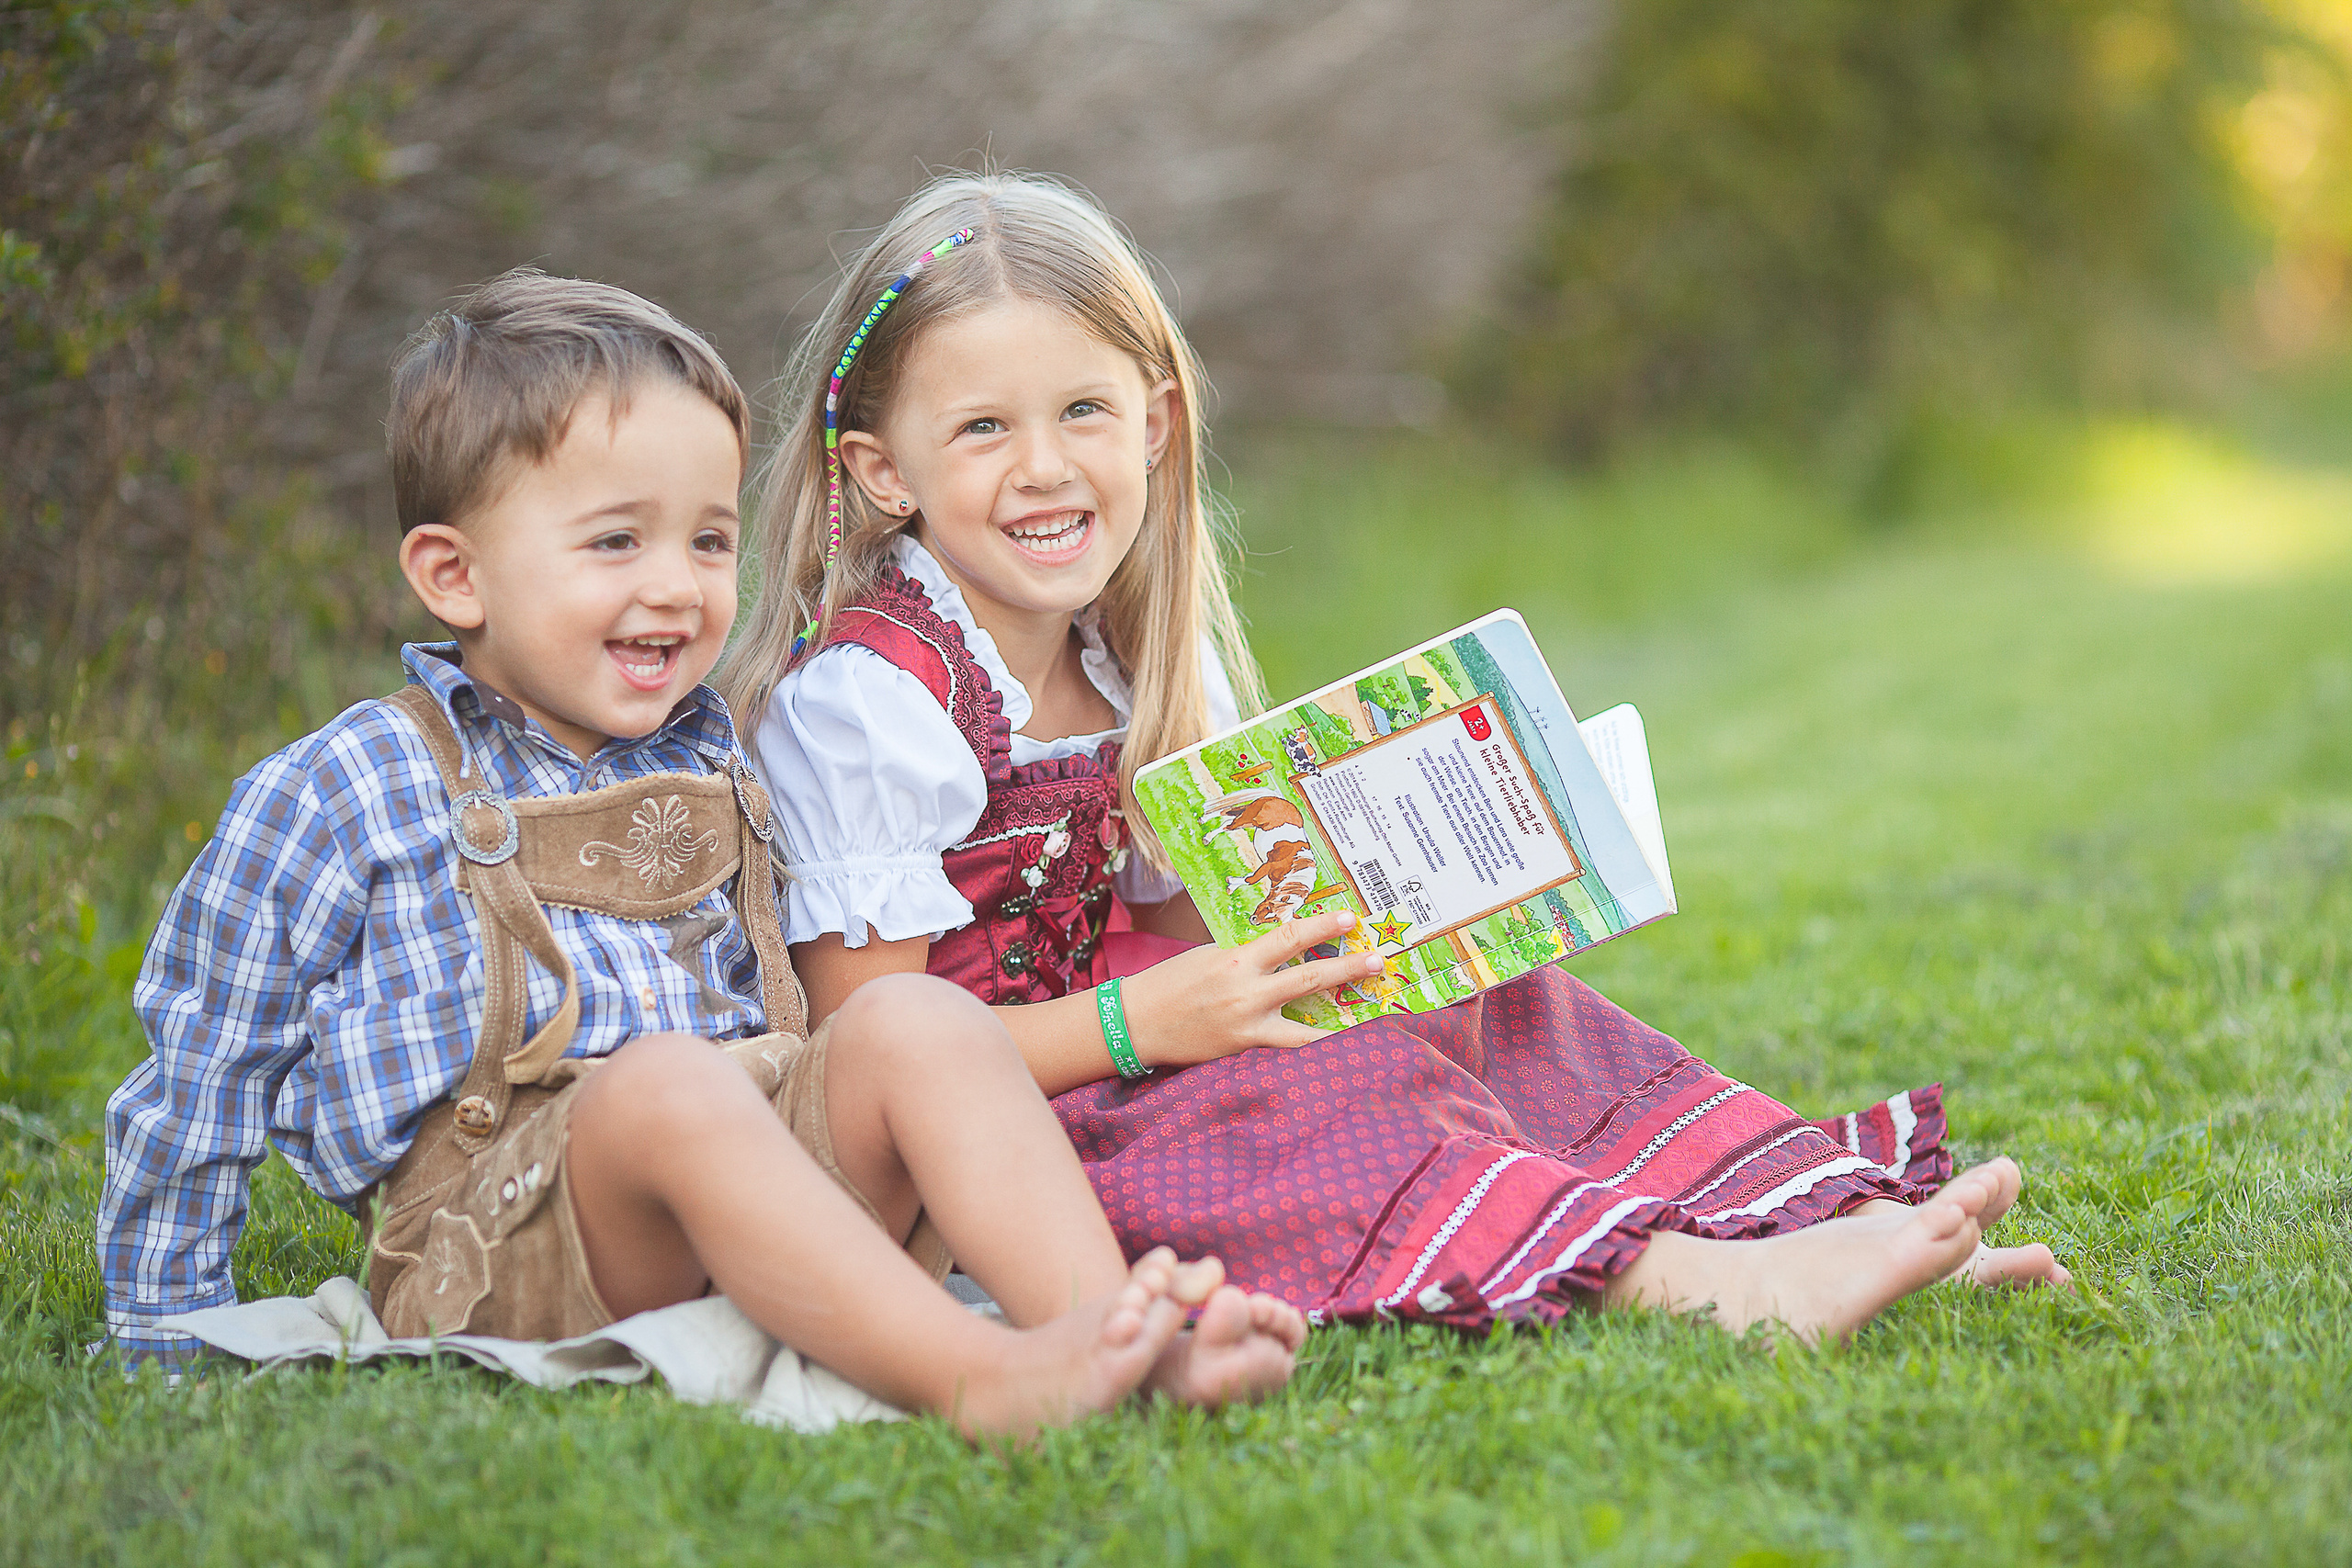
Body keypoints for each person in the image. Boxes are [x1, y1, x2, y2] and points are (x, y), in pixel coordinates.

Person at [724, 174, 2071, 1347]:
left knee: (1468, 1004)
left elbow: (1180, 919)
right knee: (1323, 1085)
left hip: (1132, 1037)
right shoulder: (873, 703)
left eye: (1082, 409)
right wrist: (1160, 1022)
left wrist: (1418, 907)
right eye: (981, 429)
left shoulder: (1119, 658)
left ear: (1154, 423)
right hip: (1007, 1146)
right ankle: (1689, 1282)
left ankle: (1793, 1223)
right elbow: (867, 1050)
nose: (1044, 466)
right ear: (881, 471)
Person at [95, 268, 1304, 1438]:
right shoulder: (348, 784)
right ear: (455, 576)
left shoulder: (715, 751)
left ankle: (1110, 1336)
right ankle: (981, 1376)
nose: (674, 588)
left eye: (709, 543)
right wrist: (161, 1327)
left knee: (915, 1023)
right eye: (616, 544)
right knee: (670, 1084)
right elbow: (205, 1064)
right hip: (506, 1247)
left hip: (751, 1180)